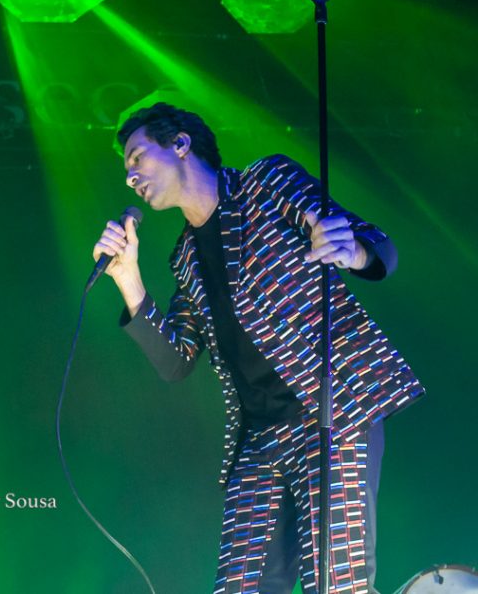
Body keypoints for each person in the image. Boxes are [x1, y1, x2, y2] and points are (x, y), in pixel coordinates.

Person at [92, 102, 424, 594]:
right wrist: (129, 280)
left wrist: (352, 251)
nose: (130, 176)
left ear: (180, 144)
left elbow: (379, 246)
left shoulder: (264, 183)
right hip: (259, 437)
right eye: (127, 167)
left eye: (137, 157)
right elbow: (176, 361)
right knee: (240, 587)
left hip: (330, 410)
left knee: (335, 581)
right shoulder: (185, 257)